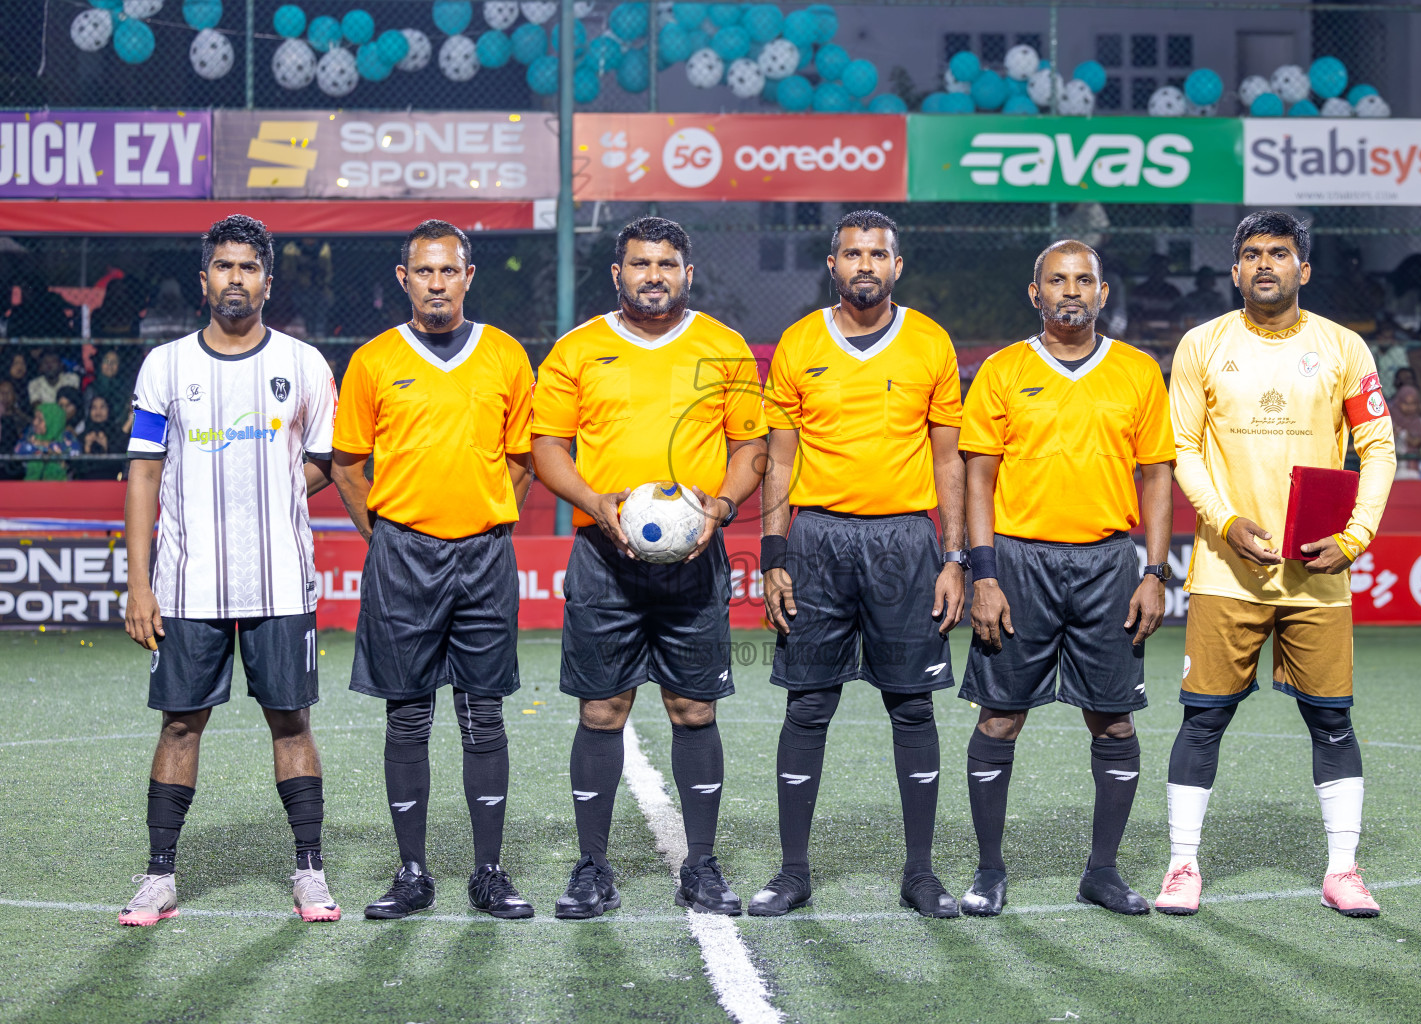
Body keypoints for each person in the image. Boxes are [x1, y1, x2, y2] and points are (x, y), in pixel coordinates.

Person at [1160, 211, 1396, 918]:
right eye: (1253, 255)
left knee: (1332, 721)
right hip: (1225, 571)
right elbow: (1184, 449)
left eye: (1281, 254)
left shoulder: (1345, 348)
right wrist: (1225, 522)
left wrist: (1354, 537)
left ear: (1305, 269)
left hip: (1317, 572)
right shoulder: (1202, 345)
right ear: (1234, 271)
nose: (1267, 264)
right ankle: (1181, 868)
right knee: (1203, 719)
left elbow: (1377, 448)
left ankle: (1342, 870)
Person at [532, 217, 767, 920]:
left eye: (667, 263)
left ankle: (701, 865)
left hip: (697, 558)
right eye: (640, 263)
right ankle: (592, 868)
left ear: (687, 273)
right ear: (617, 273)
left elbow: (752, 449)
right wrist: (595, 503)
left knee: (693, 708)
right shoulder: (577, 350)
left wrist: (721, 508)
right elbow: (548, 448)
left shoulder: (724, 349)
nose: (654, 275)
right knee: (602, 709)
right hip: (605, 556)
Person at [118, 215, 340, 927]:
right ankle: (158, 877)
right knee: (180, 726)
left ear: (267, 281)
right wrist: (138, 581)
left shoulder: (304, 364)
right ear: (205, 278)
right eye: (223, 266)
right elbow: (144, 474)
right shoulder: (166, 366)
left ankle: (308, 869)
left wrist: (270, 493)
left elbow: (325, 462)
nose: (235, 278)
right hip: (186, 583)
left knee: (291, 722)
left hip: (280, 579)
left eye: (248, 267)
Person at [750, 211, 966, 920]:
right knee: (808, 704)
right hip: (816, 541)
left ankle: (921, 874)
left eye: (877, 253)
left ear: (897, 266)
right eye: (852, 253)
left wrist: (956, 555)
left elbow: (947, 459)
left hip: (907, 542)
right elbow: (778, 457)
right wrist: (774, 554)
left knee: (912, 705)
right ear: (831, 263)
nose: (864, 264)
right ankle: (791, 872)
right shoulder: (800, 341)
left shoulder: (931, 340)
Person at [955, 239, 1175, 917]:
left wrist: (1155, 570)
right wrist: (982, 573)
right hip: (1018, 563)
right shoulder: (1001, 370)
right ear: (1036, 293)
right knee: (1000, 719)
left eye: (1084, 280)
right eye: (1058, 280)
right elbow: (979, 478)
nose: (1071, 290)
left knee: (1112, 723)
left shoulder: (1138, 372)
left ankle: (1102, 872)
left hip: (1109, 563)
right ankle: (990, 871)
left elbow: (1159, 475)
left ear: (1103, 294)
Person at [333, 220, 537, 921]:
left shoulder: (506, 354)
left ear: (468, 276)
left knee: (483, 714)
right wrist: (386, 532)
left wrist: (486, 513)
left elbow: (522, 457)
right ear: (404, 278)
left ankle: (488, 871)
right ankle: (413, 872)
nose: (438, 283)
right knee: (408, 715)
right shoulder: (373, 361)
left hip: (483, 552)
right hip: (402, 554)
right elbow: (348, 461)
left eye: (449, 271)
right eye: (424, 271)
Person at [14, 402, 82, 480]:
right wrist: (49, 449)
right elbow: (18, 449)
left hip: (61, 485)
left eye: (40, 420)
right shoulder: (31, 433)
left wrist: (43, 445)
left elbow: (75, 452)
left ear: (52, 422)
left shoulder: (66, 436)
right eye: (35, 418)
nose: (35, 423)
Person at [78, 393, 129, 481]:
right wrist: (87, 448)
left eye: (102, 407)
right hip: (86, 482)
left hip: (112, 480)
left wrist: (106, 448)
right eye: (94, 408)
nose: (98, 412)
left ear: (109, 410)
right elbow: (78, 468)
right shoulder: (83, 435)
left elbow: (119, 465)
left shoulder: (115, 434)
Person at [1389, 386, 1421, 480]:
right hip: (1395, 469)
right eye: (1405, 403)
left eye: (1413, 404)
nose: (1409, 407)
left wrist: (1403, 434)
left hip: (1419, 468)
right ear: (1398, 402)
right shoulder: (1389, 422)